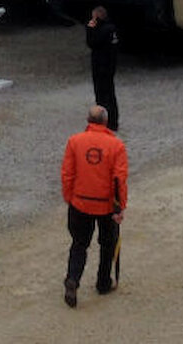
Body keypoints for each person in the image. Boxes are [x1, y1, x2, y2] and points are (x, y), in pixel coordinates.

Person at [60, 104, 128, 308]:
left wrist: (69, 198)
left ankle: (73, 279)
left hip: (80, 202)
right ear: (106, 121)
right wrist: (119, 207)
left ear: (88, 121)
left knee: (79, 244)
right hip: (106, 205)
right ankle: (103, 282)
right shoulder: (116, 145)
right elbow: (119, 179)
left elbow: (67, 173)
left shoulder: (74, 141)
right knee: (107, 244)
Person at [85, 5, 119, 132]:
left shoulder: (102, 30)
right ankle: (113, 120)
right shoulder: (112, 29)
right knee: (110, 94)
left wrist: (90, 29)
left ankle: (103, 120)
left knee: (102, 95)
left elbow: (92, 43)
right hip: (110, 65)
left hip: (100, 66)